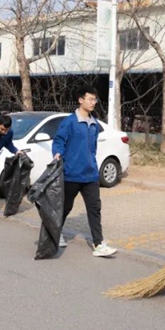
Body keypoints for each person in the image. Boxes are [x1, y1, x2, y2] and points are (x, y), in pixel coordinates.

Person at [52, 86, 117, 257]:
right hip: (71, 174)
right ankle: (54, 233)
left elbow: (92, 148)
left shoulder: (94, 123)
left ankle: (98, 244)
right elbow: (59, 141)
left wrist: (93, 164)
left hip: (90, 175)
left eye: (95, 99)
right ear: (80, 100)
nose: (93, 102)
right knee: (65, 207)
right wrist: (57, 153)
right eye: (90, 99)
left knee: (95, 209)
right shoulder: (70, 122)